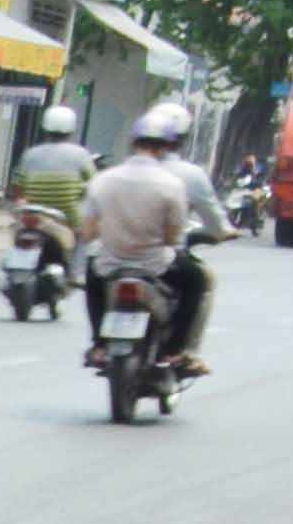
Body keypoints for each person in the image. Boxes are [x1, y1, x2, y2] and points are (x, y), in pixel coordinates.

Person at [80, 98, 230, 373]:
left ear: (133, 142)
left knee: (91, 275)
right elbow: (173, 238)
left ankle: (99, 344)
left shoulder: (104, 179)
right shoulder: (172, 183)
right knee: (197, 281)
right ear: (169, 145)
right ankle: (176, 350)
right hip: (156, 265)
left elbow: (88, 232)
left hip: (111, 263)